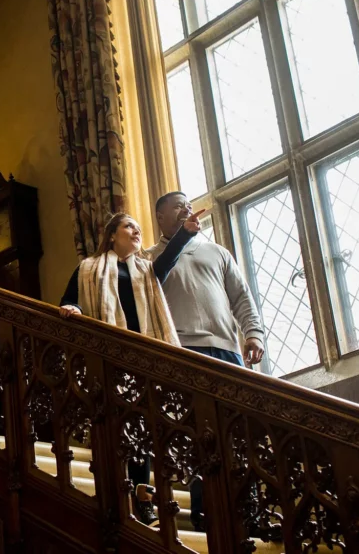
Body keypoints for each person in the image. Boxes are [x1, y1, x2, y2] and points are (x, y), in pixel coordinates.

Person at [59, 211, 201, 526]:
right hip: (109, 358)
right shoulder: (88, 269)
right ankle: (116, 492)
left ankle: (144, 497)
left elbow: (165, 263)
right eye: (128, 227)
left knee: (142, 428)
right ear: (111, 235)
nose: (136, 231)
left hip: (144, 358)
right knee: (116, 427)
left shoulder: (146, 270)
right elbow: (72, 300)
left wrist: (184, 234)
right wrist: (74, 308)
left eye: (139, 228)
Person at [148, 191, 266, 531]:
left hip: (227, 349)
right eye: (177, 205)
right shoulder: (149, 258)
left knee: (239, 431)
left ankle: (251, 512)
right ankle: (204, 510)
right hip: (182, 351)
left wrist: (253, 334)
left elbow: (242, 296)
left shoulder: (218, 252)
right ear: (160, 216)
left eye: (188, 202)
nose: (186, 207)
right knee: (200, 435)